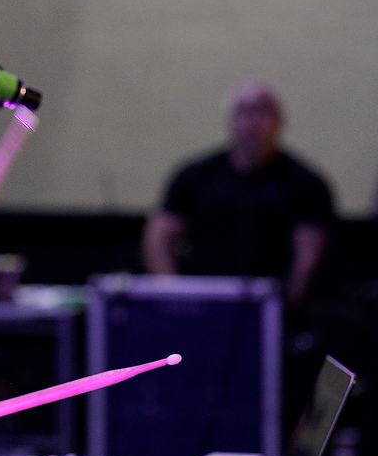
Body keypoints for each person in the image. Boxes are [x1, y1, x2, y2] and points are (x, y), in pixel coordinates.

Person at [142, 81, 334, 305]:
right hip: (205, 301)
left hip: (269, 304)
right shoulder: (197, 176)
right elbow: (159, 235)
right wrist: (175, 294)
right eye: (243, 112)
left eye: (262, 112)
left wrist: (288, 308)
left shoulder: (304, 183)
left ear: (279, 121)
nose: (252, 122)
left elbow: (308, 254)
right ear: (230, 121)